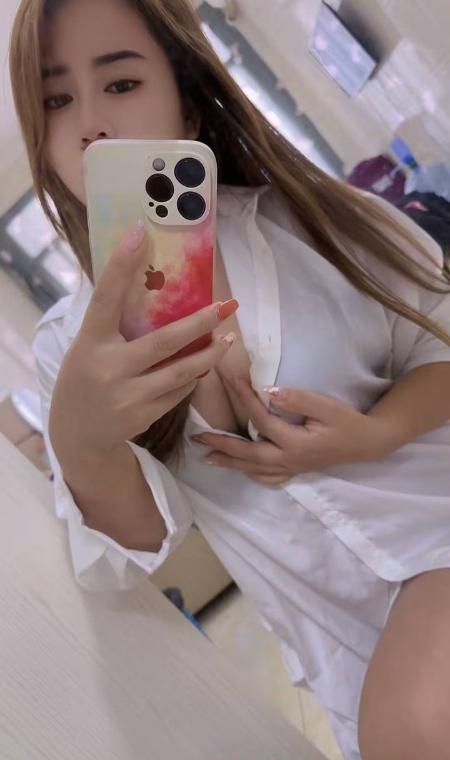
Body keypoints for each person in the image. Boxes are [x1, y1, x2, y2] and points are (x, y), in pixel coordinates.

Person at [8, 1, 450, 758]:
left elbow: (438, 341)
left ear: (184, 100)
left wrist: (375, 433)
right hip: (346, 657)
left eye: (121, 83)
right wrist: (82, 443)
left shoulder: (311, 218)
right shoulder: (70, 349)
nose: (90, 124)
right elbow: (139, 548)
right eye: (55, 99)